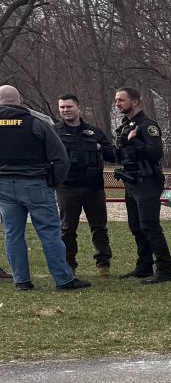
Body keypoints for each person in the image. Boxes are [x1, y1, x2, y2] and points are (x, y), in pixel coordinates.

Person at [0, 84, 90, 293]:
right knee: (49, 232)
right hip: (35, 183)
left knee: (13, 234)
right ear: (19, 99)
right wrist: (53, 182)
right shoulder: (37, 122)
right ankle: (63, 280)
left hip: (4, 186)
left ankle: (21, 281)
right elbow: (61, 159)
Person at [112, 85, 171, 283]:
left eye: (121, 100)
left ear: (135, 101)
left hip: (147, 180)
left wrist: (135, 142)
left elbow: (156, 153)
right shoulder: (125, 125)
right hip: (131, 181)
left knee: (150, 226)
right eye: (116, 100)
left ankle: (165, 271)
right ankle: (144, 266)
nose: (117, 104)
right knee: (136, 226)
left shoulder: (147, 125)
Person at [54, 94, 115, 275]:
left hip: (93, 187)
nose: (65, 110)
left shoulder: (94, 132)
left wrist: (99, 148)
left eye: (69, 107)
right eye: (62, 107)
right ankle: (69, 264)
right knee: (67, 228)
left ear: (78, 108)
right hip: (67, 187)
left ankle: (103, 263)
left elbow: (113, 155)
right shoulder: (54, 132)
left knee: (98, 227)